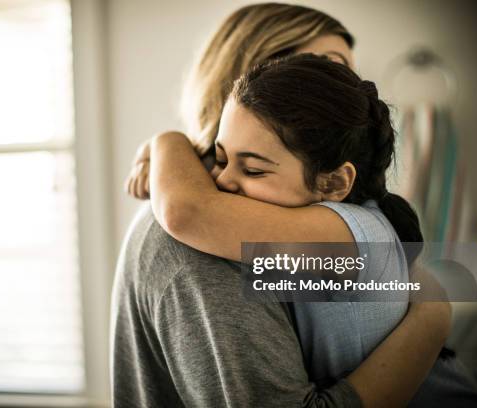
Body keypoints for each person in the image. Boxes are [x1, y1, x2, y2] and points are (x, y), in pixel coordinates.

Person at [111, 4, 452, 407]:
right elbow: (190, 211)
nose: (340, 95)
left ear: (336, 181)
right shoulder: (208, 241)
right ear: (257, 76)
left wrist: (166, 141)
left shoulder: (322, 222)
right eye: (321, 71)